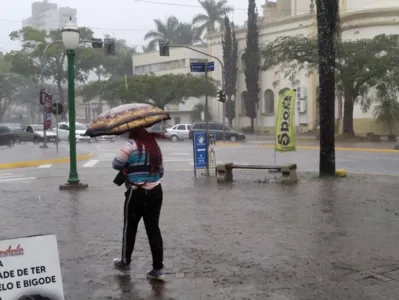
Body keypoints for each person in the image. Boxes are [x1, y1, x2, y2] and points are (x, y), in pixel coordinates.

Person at [112, 127, 165, 280]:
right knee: (153, 229)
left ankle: (125, 262)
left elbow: (116, 163)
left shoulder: (130, 145)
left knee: (130, 228)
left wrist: (131, 166)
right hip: (156, 192)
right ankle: (157, 268)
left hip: (136, 193)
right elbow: (161, 172)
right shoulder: (154, 146)